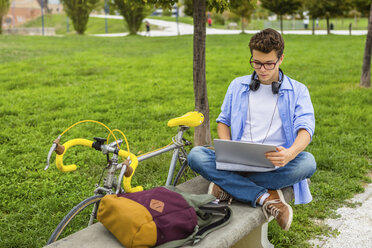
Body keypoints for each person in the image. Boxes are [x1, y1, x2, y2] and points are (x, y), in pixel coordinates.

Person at [187, 28, 316, 231]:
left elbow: (306, 128)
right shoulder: (237, 85)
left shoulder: (298, 90)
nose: (262, 69)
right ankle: (267, 197)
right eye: (256, 63)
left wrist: (290, 154)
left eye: (269, 64)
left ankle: (228, 186)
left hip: (275, 164)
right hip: (237, 161)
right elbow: (223, 121)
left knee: (308, 163)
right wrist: (227, 148)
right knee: (196, 155)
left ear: (281, 59)